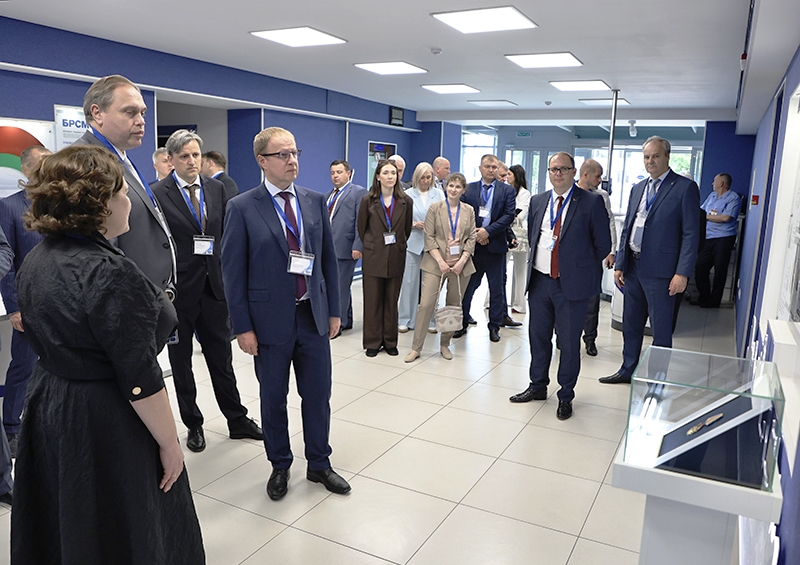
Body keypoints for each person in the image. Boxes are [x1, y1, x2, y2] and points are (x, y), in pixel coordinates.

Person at [12, 145, 204, 564]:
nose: (129, 200)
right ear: (97, 204)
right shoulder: (110, 274)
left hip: (51, 401)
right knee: (124, 520)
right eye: (122, 192)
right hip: (105, 414)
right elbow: (140, 378)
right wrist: (169, 443)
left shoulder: (38, 259)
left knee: (68, 510)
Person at [220, 127, 350, 501]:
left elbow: (327, 261)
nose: (292, 160)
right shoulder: (242, 207)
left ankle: (319, 463)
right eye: (283, 155)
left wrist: (334, 310)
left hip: (312, 316)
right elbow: (233, 272)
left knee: (318, 395)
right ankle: (280, 464)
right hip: (267, 323)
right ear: (262, 161)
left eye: (295, 153)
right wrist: (242, 327)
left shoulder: (314, 201)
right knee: (273, 398)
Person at [153, 130, 261, 453]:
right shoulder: (157, 193)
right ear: (171, 160)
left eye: (196, 155)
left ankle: (236, 419)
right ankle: (193, 423)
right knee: (182, 363)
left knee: (221, 359)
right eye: (184, 156)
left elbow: (228, 234)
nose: (192, 161)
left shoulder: (216, 189)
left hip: (214, 288)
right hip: (179, 293)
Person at [509, 153, 611, 420]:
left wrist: (577, 266)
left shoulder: (590, 202)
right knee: (538, 337)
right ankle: (537, 386)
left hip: (571, 286)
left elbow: (603, 244)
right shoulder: (538, 200)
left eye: (563, 169)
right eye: (553, 169)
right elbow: (535, 235)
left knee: (568, 343)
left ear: (574, 172)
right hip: (540, 281)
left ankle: (565, 395)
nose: (558, 174)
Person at [600, 136, 700, 385]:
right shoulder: (638, 188)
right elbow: (628, 228)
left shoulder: (684, 188)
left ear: (667, 157)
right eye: (646, 157)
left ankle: (657, 379)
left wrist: (682, 273)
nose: (650, 161)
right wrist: (620, 263)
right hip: (633, 268)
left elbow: (691, 234)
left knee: (661, 330)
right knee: (631, 325)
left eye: (655, 156)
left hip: (663, 273)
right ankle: (628, 369)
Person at [73, 74, 177, 296]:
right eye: (130, 112)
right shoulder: (86, 162)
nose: (141, 121)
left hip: (151, 296)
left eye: (142, 113)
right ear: (97, 113)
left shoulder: (119, 157)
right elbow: (100, 249)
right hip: (128, 299)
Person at [0, 145, 50, 457]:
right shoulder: (9, 207)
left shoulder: (59, 204)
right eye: (42, 163)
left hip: (61, 301)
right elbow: (7, 263)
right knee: (24, 366)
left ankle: (45, 421)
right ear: (26, 169)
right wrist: (14, 307)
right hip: (29, 304)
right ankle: (11, 429)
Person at [405, 173, 476, 363]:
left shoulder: (468, 210)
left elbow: (471, 238)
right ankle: (416, 347)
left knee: (453, 305)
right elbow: (429, 237)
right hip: (436, 263)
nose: (453, 189)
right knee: (426, 304)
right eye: (451, 185)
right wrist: (441, 261)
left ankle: (445, 344)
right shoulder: (435, 208)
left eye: (458, 187)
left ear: (463, 190)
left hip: (460, 265)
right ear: (446, 187)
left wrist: (462, 261)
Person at [454, 154, 516, 343]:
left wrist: (488, 231)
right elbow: (462, 214)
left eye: (494, 167)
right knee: (468, 287)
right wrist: (477, 234)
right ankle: (462, 323)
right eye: (487, 166)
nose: (491, 170)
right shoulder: (469, 189)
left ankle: (494, 326)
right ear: (480, 168)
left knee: (496, 289)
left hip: (496, 246)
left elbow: (508, 216)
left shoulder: (507, 191)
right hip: (473, 248)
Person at [358, 159, 414, 356]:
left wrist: (396, 244)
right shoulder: (367, 200)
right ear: (378, 177)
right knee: (372, 302)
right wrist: (373, 244)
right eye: (386, 173)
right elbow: (362, 229)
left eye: (393, 173)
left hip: (396, 255)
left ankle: (390, 342)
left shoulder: (406, 201)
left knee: (391, 302)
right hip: (373, 256)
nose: (390, 176)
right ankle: (372, 343)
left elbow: (406, 230)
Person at [397, 162, 445, 333]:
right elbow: (400, 219)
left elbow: (445, 217)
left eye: (428, 177)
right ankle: (405, 319)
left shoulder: (438, 194)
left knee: (430, 285)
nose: (425, 181)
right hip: (412, 243)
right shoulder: (407, 194)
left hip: (433, 246)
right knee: (409, 282)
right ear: (416, 177)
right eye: (422, 177)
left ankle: (430, 320)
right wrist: (413, 224)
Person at [576, 159, 617, 356]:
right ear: (585, 175)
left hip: (592, 256)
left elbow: (610, 223)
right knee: (565, 300)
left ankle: (590, 339)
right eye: (597, 176)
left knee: (592, 301)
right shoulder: (569, 193)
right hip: (570, 257)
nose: (600, 180)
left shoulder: (601, 197)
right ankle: (562, 337)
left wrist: (611, 250)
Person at [327, 159, 368, 337]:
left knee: (339, 288)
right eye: (332, 173)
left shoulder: (358, 192)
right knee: (341, 286)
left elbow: (361, 221)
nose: (335, 176)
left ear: (348, 174)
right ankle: (347, 319)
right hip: (330, 248)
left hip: (346, 247)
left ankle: (339, 324)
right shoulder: (329, 195)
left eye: (339, 172)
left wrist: (358, 245)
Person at [483, 161, 524, 327]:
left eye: (506, 176)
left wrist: (509, 235)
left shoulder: (505, 192)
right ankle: (464, 318)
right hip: (479, 243)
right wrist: (483, 234)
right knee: (472, 284)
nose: (504, 179)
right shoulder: (482, 192)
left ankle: (500, 317)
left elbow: (505, 219)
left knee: (499, 283)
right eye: (501, 176)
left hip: (497, 244)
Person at [692, 173, 741, 308]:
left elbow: (726, 218)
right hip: (707, 237)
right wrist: (706, 217)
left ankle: (714, 301)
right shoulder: (712, 196)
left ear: (721, 184)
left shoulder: (733, 198)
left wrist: (706, 217)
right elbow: (701, 212)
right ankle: (703, 297)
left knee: (720, 270)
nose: (712, 184)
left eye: (715, 181)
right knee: (700, 267)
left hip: (723, 239)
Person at [507, 164, 532, 314]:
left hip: (519, 235)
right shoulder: (506, 190)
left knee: (520, 270)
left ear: (516, 176)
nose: (507, 177)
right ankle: (491, 301)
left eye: (509, 174)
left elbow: (521, 214)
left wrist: (508, 215)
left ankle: (519, 305)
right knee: (500, 268)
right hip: (505, 232)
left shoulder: (524, 193)